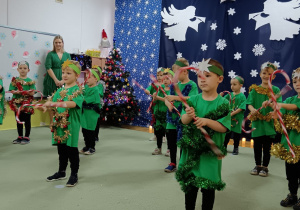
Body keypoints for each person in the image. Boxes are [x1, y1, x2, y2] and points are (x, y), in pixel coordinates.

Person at [179, 58, 230, 210]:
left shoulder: (223, 103)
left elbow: (223, 127)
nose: (202, 80)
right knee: (190, 189)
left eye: (207, 76)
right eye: (199, 76)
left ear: (219, 79)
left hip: (209, 155)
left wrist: (207, 121)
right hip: (191, 153)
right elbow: (184, 120)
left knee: (208, 189)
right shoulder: (192, 100)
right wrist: (188, 115)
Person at [43, 60, 83, 187]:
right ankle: (61, 172)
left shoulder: (78, 90)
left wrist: (53, 103)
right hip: (59, 124)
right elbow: (51, 105)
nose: (65, 75)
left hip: (71, 125)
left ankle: (74, 174)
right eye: (63, 72)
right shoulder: (60, 90)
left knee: (71, 150)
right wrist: (45, 106)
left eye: (69, 73)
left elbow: (73, 104)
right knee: (61, 150)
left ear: (77, 75)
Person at [266, 68, 300, 209]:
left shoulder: (291, 103)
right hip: (289, 146)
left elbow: (295, 107)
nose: (297, 83)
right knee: (291, 174)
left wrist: (281, 104)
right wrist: (275, 113)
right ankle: (292, 195)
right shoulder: (290, 99)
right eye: (295, 81)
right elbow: (282, 121)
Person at [246, 62, 282, 177]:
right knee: (257, 145)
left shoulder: (276, 90)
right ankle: (258, 165)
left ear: (274, 77)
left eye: (270, 74)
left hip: (269, 123)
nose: (267, 76)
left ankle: (265, 167)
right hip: (257, 122)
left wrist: (272, 106)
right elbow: (249, 104)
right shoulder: (254, 90)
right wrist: (252, 110)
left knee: (267, 146)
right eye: (264, 73)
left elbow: (278, 105)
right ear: (260, 74)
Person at [164, 58, 198, 173]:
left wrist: (175, 98)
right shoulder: (174, 85)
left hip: (184, 118)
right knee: (171, 141)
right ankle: (173, 163)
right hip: (172, 118)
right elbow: (167, 98)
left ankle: (183, 163)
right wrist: (168, 102)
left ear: (185, 71)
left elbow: (192, 98)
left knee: (183, 142)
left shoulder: (192, 85)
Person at [43, 35, 71, 125]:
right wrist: (56, 80)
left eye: (60, 42)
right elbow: (48, 67)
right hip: (52, 80)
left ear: (62, 43)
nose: (58, 44)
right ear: (54, 44)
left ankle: (61, 120)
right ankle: (52, 121)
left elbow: (69, 68)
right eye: (56, 43)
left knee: (62, 100)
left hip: (64, 79)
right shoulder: (50, 54)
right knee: (52, 100)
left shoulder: (67, 55)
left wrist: (63, 81)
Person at [9, 61, 36, 144]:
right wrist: (16, 92)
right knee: (18, 120)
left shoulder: (30, 81)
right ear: (17, 69)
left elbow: (32, 92)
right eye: (20, 68)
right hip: (17, 104)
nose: (22, 70)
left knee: (27, 120)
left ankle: (26, 136)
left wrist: (25, 92)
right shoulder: (15, 81)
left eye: (25, 68)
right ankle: (20, 136)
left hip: (27, 104)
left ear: (28, 70)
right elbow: (12, 90)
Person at [151, 69, 173, 155]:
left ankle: (169, 149)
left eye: (168, 78)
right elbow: (155, 100)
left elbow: (168, 100)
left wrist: (158, 98)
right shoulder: (160, 88)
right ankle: (158, 147)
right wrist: (154, 96)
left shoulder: (172, 90)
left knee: (168, 133)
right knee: (159, 132)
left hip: (167, 115)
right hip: (159, 114)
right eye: (164, 78)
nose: (165, 80)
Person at [223, 76, 246, 155]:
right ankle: (224, 147)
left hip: (237, 119)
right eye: (231, 84)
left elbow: (241, 108)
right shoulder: (229, 95)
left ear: (240, 85)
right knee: (227, 133)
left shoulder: (242, 96)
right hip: (229, 119)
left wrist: (232, 113)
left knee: (236, 134)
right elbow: (223, 101)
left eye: (234, 84)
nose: (232, 86)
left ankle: (236, 148)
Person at [80, 67, 101, 155]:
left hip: (92, 113)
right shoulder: (86, 87)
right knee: (84, 130)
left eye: (89, 77)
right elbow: (82, 94)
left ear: (95, 79)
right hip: (85, 112)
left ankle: (92, 147)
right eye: (86, 77)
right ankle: (86, 146)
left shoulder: (96, 89)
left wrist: (82, 98)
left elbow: (93, 99)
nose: (86, 79)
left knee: (90, 131)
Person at [145, 67, 165, 141]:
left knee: (163, 122)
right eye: (158, 75)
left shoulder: (166, 85)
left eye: (161, 75)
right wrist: (147, 90)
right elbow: (149, 88)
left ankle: (163, 136)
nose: (159, 77)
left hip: (163, 107)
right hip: (155, 107)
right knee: (155, 121)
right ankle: (155, 135)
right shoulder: (154, 84)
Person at [94, 66, 105, 142]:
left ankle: (95, 136)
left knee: (96, 121)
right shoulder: (88, 83)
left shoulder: (100, 83)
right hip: (89, 105)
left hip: (97, 105)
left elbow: (100, 93)